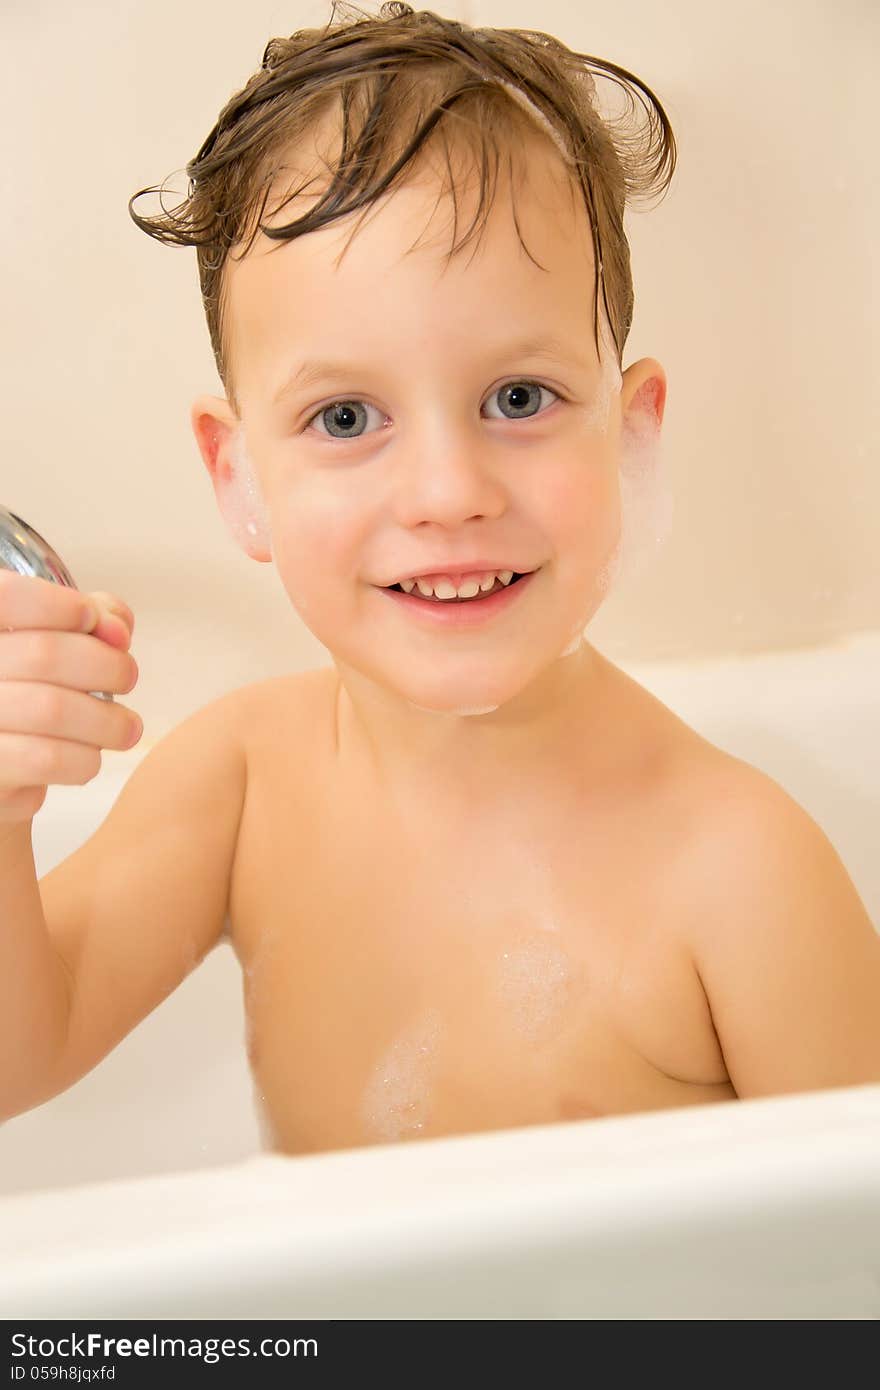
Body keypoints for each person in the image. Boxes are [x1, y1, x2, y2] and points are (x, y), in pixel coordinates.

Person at [2, 3, 877, 1152]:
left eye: (518, 398)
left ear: (631, 434)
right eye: (347, 416)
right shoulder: (238, 781)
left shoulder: (740, 871)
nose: (447, 490)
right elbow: (23, 1057)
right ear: (239, 478)